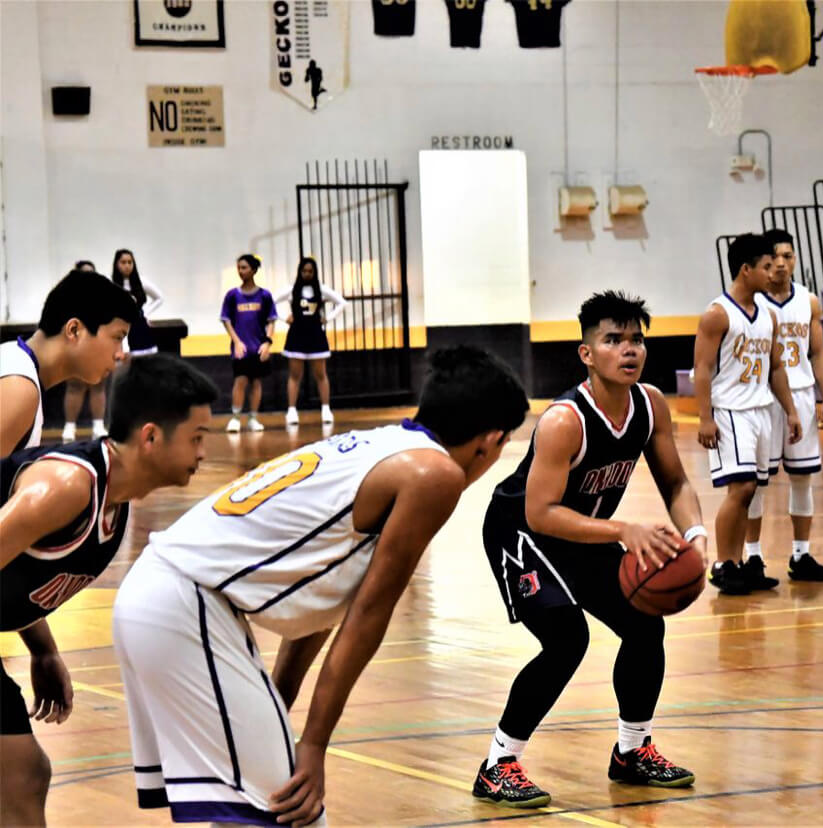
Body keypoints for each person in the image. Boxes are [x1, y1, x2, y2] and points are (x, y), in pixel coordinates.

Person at [112, 347, 528, 826]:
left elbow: (324, 600)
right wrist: (312, 743)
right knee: (293, 813)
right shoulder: (435, 475)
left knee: (248, 811)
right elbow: (369, 612)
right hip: (184, 606)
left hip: (166, 599)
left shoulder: (383, 445)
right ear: (490, 441)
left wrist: (279, 705)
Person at [474, 292, 706, 808]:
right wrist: (624, 530)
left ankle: (632, 751)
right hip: (522, 532)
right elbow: (540, 514)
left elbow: (675, 482)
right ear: (586, 353)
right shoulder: (564, 420)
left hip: (584, 529)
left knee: (646, 625)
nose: (630, 351)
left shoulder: (650, 404)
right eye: (613, 340)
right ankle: (497, 764)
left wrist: (696, 538)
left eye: (637, 340)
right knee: (565, 639)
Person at [1, 355, 215, 826]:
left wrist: (42, 651)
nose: (204, 454)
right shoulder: (66, 485)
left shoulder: (113, 504)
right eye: (197, 438)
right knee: (22, 775)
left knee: (24, 774)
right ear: (152, 437)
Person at [694, 233, 801, 596]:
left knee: (751, 490)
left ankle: (738, 563)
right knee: (739, 488)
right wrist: (704, 417)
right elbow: (703, 368)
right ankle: (723, 565)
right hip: (730, 411)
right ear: (746, 269)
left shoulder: (768, 315)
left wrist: (791, 411)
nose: (774, 273)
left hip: (760, 411)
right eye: (767, 267)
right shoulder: (717, 314)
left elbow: (776, 369)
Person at [747, 229, 823, 582]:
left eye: (788, 256)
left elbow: (818, 352)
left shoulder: (809, 301)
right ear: (764, 264)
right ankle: (752, 557)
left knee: (802, 478)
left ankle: (801, 555)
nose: (782, 264)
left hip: (800, 393)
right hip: (763, 397)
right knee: (756, 482)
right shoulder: (752, 304)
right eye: (775, 258)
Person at [1, 269, 136, 457]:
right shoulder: (19, 386)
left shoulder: (17, 365)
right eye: (117, 337)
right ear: (74, 330)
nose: (120, 353)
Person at [63, 250, 164, 441]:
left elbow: (112, 327)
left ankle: (99, 425)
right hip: (76, 347)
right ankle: (69, 427)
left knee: (99, 384)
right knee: (76, 385)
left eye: (92, 273)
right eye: (85, 273)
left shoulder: (102, 295)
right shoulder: (68, 298)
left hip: (98, 347)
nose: (89, 277)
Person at [274, 257, 346, 427]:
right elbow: (270, 301)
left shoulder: (321, 290)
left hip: (315, 335)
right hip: (296, 335)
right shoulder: (292, 290)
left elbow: (342, 302)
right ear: (300, 272)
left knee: (321, 374)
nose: (307, 274)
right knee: (295, 375)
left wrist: (327, 318)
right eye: (304, 271)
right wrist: (284, 318)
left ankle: (326, 409)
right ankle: (292, 410)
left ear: (314, 273)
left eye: (310, 271)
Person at [221, 254, 277, 433]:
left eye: (244, 267)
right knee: (240, 380)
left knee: (256, 382)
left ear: (253, 270)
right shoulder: (232, 295)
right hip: (241, 349)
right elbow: (226, 320)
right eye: (238, 267)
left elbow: (271, 320)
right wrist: (236, 342)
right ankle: (236, 418)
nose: (240, 271)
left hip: (258, 347)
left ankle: (253, 417)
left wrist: (267, 343)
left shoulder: (264, 295)